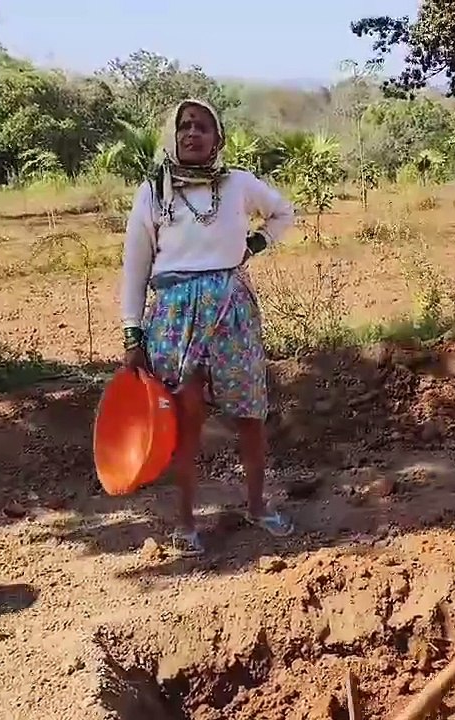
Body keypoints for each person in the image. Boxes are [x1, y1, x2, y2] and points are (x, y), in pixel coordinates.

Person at [120, 98, 296, 557]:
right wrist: (132, 332)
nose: (191, 134)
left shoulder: (237, 183)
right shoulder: (153, 192)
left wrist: (256, 242)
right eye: (183, 127)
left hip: (231, 310)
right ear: (173, 136)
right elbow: (135, 267)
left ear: (217, 138)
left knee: (250, 415)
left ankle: (259, 506)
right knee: (185, 420)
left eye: (201, 126)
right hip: (175, 317)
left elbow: (283, 212)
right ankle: (185, 523)